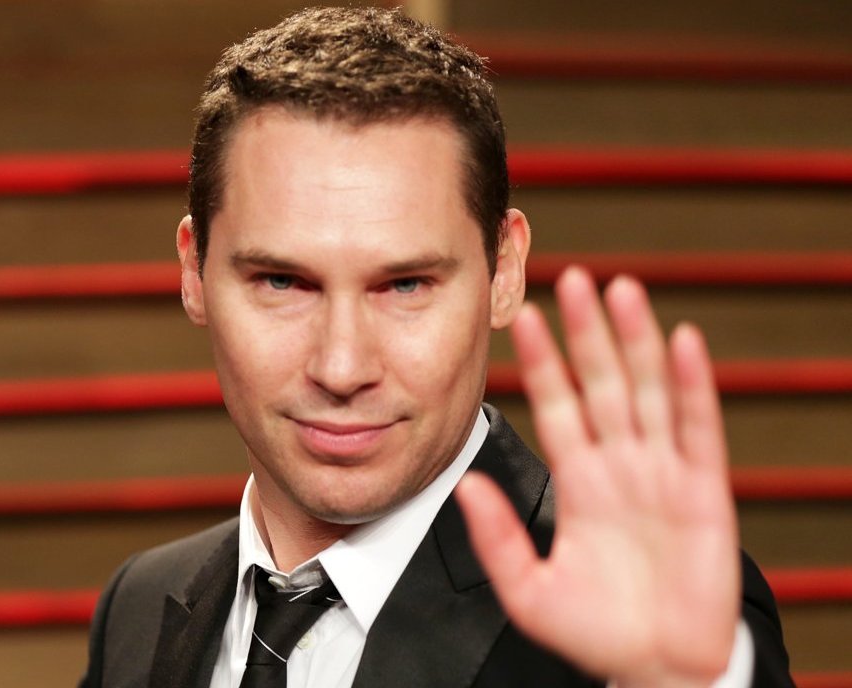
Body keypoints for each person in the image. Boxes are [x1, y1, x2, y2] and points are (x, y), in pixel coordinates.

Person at [79, 7, 794, 687]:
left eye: (406, 285)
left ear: (503, 272)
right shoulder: (139, 609)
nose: (342, 367)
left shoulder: (638, 613)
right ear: (193, 273)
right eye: (282, 281)